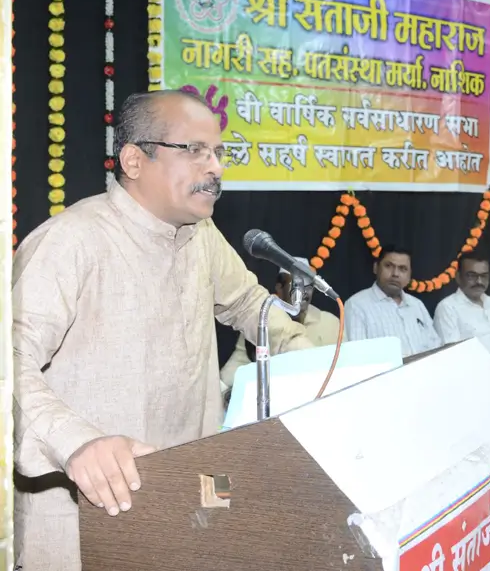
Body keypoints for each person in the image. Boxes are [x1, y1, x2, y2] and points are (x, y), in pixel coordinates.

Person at [13, 90, 313, 570]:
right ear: (134, 160)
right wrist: (74, 441)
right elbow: (9, 363)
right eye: (194, 150)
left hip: (192, 497)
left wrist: (306, 348)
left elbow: (246, 302)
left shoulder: (201, 236)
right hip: (90, 514)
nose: (214, 167)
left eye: (217, 152)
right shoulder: (70, 241)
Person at [220, 257, 342, 393]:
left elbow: (345, 368)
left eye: (309, 286)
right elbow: (235, 368)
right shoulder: (262, 321)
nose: (305, 291)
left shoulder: (331, 322)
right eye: (297, 285)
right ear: (279, 288)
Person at [343, 245, 440, 357]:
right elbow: (357, 356)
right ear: (376, 268)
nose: (395, 274)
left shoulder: (417, 305)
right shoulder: (357, 305)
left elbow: (436, 347)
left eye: (402, 269)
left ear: (410, 275)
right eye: (389, 266)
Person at [433, 251, 490, 360]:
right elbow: (452, 355)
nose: (479, 281)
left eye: (484, 276)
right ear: (458, 277)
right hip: (481, 373)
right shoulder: (448, 308)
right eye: (472, 276)